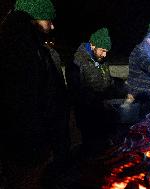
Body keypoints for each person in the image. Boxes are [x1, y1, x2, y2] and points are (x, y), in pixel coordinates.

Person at [0, 0, 70, 188]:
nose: (52, 25)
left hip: (36, 141)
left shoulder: (34, 47)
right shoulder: (19, 49)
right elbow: (23, 103)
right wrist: (39, 145)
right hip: (28, 147)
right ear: (34, 18)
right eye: (48, 20)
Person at [68, 28, 119, 157]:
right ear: (92, 45)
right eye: (103, 51)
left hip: (104, 111)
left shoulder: (101, 59)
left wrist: (117, 90)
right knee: (91, 150)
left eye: (107, 52)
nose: (105, 55)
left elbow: (107, 80)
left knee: (105, 150)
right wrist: (98, 102)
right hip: (88, 115)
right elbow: (77, 90)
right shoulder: (77, 61)